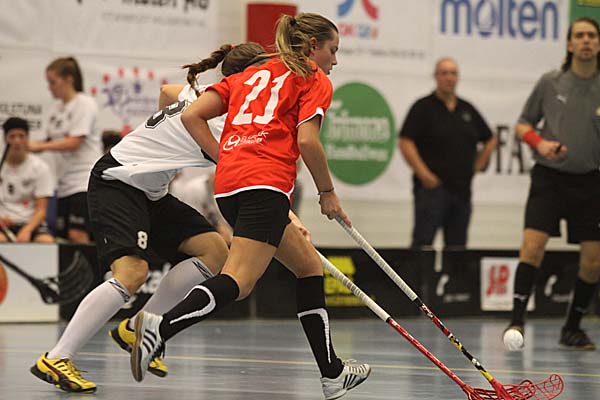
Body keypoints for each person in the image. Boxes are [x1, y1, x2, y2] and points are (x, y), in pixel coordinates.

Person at [131, 13, 370, 400]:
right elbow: (307, 141)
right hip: (265, 184)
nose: (335, 60)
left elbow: (192, 114)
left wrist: (224, 156)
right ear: (313, 47)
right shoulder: (312, 77)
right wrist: (327, 192)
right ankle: (161, 327)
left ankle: (332, 373)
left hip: (229, 187)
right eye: (333, 50)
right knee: (239, 282)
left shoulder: (247, 75)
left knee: (308, 267)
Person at [29, 43, 267, 393]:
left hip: (150, 192)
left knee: (215, 251)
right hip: (118, 181)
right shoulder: (221, 123)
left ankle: (138, 327)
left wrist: (160, 153)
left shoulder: (203, 94)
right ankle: (57, 357)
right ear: (249, 79)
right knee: (132, 273)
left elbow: (167, 92)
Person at [503, 17, 600, 351]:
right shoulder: (550, 82)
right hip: (550, 178)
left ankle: (572, 328)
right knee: (532, 247)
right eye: (579, 36)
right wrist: (540, 143)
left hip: (591, 182)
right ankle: (516, 321)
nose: (586, 40)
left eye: (592, 35)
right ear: (570, 44)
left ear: (598, 44)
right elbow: (522, 124)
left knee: (593, 260)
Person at [399, 58, 497, 249]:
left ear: (458, 78)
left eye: (453, 73)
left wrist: (476, 166)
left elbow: (490, 139)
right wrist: (424, 174)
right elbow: (405, 141)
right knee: (422, 246)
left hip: (462, 190)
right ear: (436, 76)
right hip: (432, 191)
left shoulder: (467, 109)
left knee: (457, 249)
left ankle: (454, 271)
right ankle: (418, 271)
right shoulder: (423, 107)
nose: (449, 78)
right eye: (444, 73)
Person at [29, 57, 101, 243]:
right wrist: (27, 146)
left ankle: (91, 264)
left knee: (78, 235)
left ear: (69, 79)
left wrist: (40, 146)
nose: (49, 88)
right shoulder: (56, 108)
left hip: (83, 181)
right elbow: (48, 140)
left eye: (53, 82)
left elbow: (74, 142)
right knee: (63, 239)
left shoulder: (84, 103)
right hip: (64, 184)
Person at [0, 117, 54, 243]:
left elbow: (41, 210)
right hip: (3, 223)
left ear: (27, 138)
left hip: (30, 222)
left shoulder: (40, 167)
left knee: (46, 241)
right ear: (5, 139)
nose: (17, 141)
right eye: (12, 136)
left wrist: (27, 230)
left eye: (21, 136)